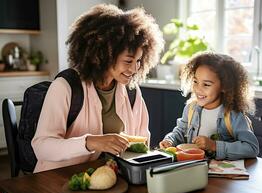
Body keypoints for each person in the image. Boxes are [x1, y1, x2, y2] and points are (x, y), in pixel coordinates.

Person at [32, 4, 164, 173]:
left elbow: (142, 142)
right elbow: (41, 147)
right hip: (56, 178)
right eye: (128, 61)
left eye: (138, 61)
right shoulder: (66, 87)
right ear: (103, 55)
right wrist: (90, 142)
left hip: (107, 178)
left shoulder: (132, 91)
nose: (134, 69)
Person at [159, 52, 259, 160]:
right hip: (193, 168)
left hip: (221, 173)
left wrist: (214, 145)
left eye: (206, 84)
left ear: (225, 86)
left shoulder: (233, 115)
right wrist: (170, 140)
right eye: (195, 81)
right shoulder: (190, 109)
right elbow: (180, 132)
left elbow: (252, 148)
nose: (198, 89)